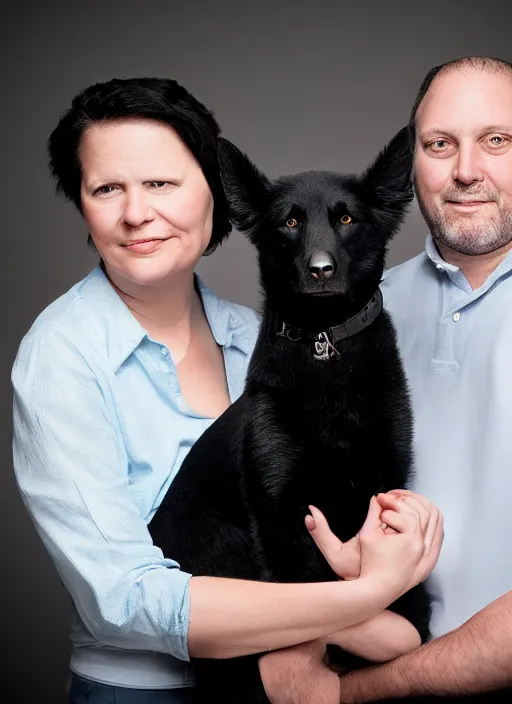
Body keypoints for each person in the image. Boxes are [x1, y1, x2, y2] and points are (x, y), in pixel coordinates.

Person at [11, 76, 442, 704]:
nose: (136, 213)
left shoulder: (257, 335)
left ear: (215, 193)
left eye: (160, 183)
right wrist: (365, 605)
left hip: (289, 680)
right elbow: (125, 601)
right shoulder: (61, 356)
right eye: (107, 188)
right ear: (82, 204)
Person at [262, 55, 512, 703]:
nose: (465, 170)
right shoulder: (352, 313)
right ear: (411, 166)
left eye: (497, 140)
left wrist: (361, 690)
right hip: (356, 659)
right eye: (439, 144)